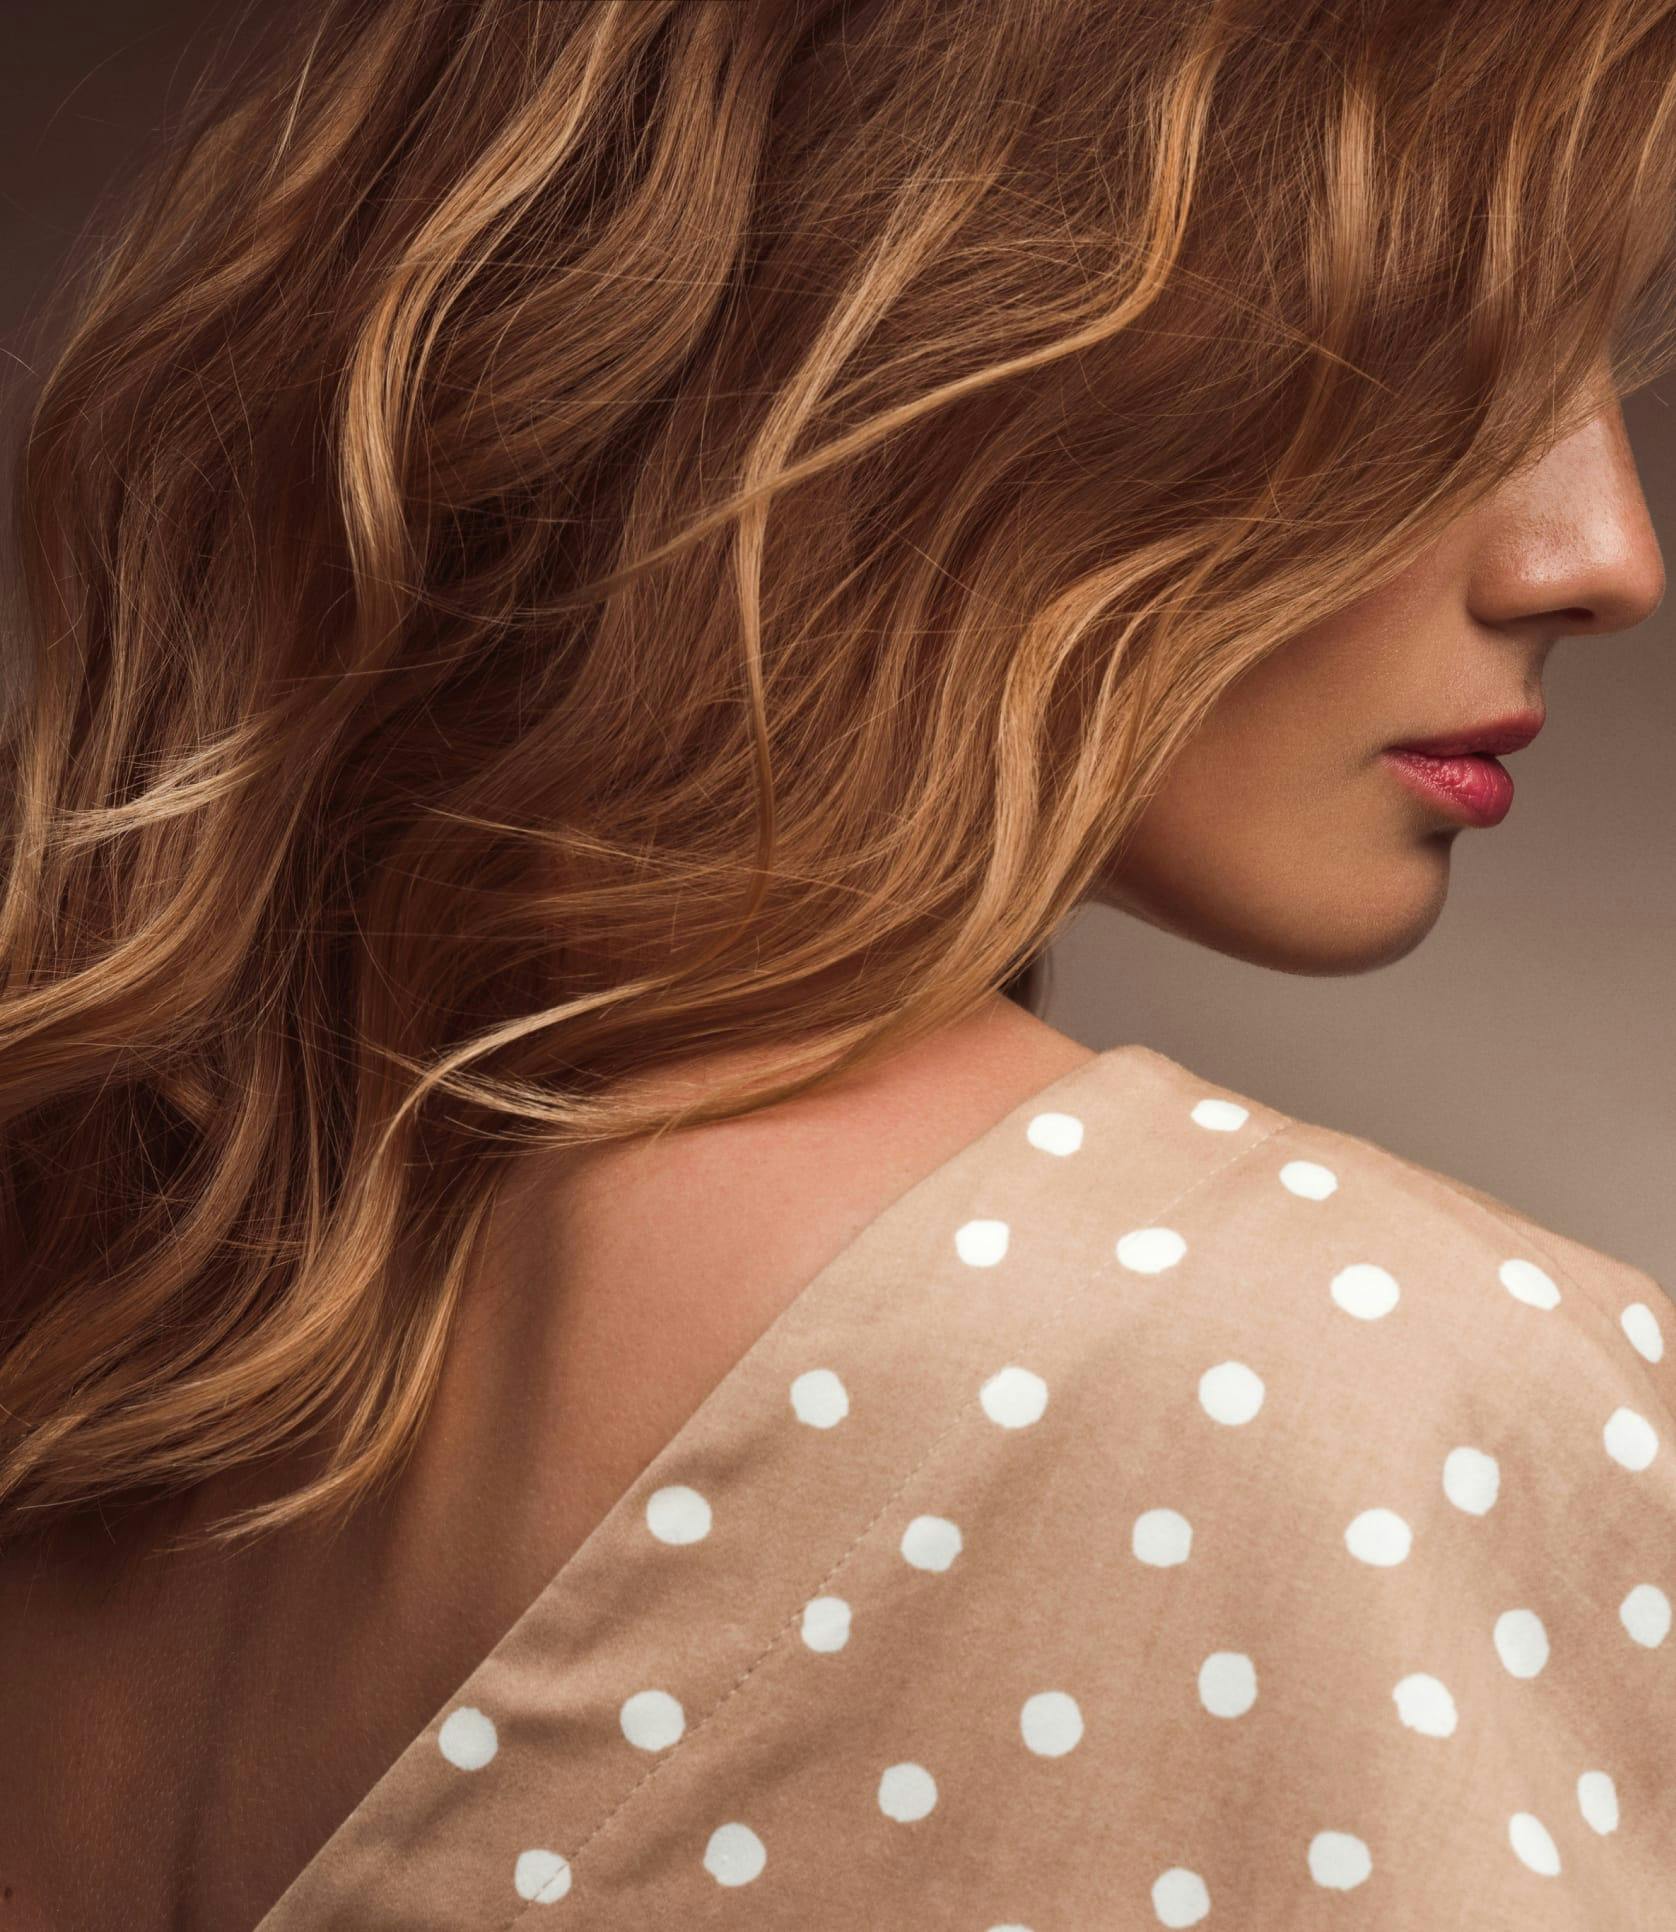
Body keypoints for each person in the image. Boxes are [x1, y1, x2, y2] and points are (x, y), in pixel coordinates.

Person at [0, 2, 1672, 1926]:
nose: (1605, 552)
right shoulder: (1344, 1381)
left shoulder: (113, 1290)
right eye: (1449, 347)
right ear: (935, 312)